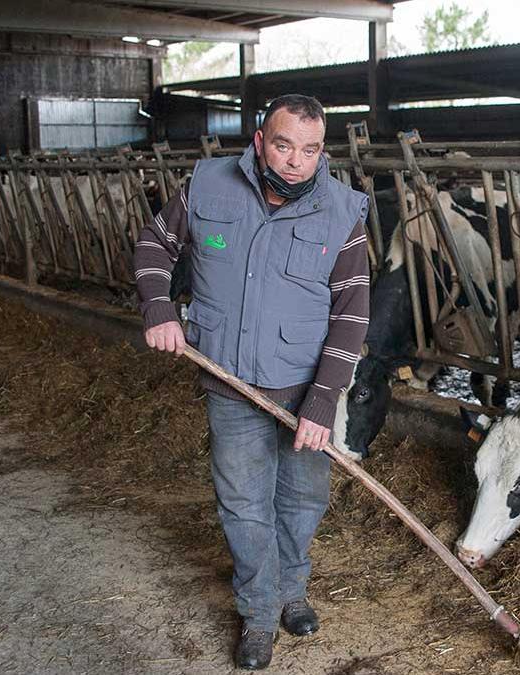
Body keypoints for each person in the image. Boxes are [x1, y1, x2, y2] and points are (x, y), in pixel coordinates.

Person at [133, 94, 370, 670]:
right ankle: (260, 612)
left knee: (303, 498)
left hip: (305, 389)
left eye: (310, 150)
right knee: (243, 503)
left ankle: (291, 591)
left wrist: (322, 401)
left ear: (321, 153)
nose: (295, 161)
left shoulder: (343, 212)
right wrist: (158, 307)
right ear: (261, 141)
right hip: (230, 381)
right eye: (284, 145)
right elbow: (153, 244)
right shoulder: (208, 186)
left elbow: (354, 313)